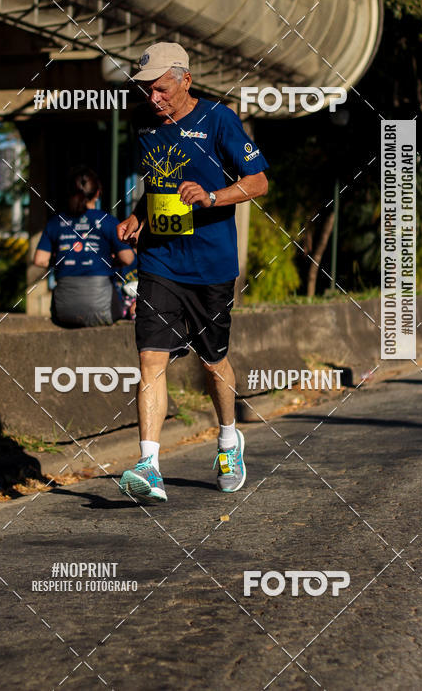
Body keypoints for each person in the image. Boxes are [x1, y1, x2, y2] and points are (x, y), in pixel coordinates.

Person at [117, 42, 268, 503]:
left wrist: (212, 197)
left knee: (212, 361)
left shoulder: (219, 120)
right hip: (160, 260)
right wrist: (138, 217)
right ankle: (149, 465)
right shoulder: (145, 125)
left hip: (211, 266)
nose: (153, 98)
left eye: (161, 88)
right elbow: (156, 182)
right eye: (147, 90)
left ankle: (228, 440)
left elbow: (259, 181)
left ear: (186, 79)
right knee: (150, 358)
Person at [33, 166, 135, 327]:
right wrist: (110, 262)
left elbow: (39, 260)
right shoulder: (107, 221)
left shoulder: (56, 222)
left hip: (63, 311)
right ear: (98, 193)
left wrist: (64, 261)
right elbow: (128, 259)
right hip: (103, 309)